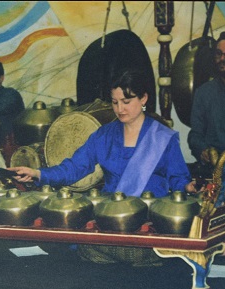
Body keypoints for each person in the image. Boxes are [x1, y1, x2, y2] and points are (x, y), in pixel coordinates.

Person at [10, 69, 196, 265]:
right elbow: (74, 168)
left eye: (126, 101)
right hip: (109, 219)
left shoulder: (162, 137)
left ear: (143, 98)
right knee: (89, 244)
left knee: (137, 251)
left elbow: (178, 178)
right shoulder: (103, 135)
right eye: (115, 102)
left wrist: (187, 186)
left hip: (148, 222)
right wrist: (37, 173)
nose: (120, 109)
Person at [187, 30, 225, 258]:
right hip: (212, 163)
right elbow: (194, 135)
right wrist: (202, 151)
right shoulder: (204, 92)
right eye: (219, 54)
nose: (223, 58)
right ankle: (219, 243)